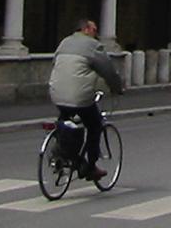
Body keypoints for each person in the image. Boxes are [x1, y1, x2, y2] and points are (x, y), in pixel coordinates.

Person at [47, 18, 124, 180]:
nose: (96, 34)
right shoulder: (92, 46)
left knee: (65, 121)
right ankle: (91, 167)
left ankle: (62, 152)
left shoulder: (64, 43)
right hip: (79, 97)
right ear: (86, 30)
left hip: (56, 94)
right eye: (95, 30)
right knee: (95, 125)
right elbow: (108, 71)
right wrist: (118, 88)